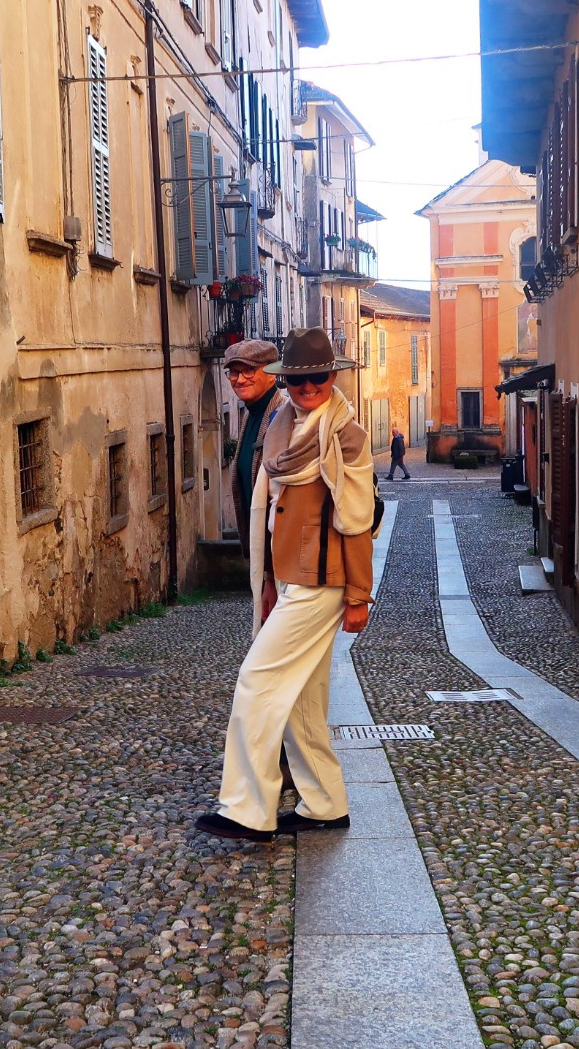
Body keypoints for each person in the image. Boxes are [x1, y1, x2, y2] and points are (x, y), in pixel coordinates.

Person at [196, 328, 374, 842]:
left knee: (258, 682)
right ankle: (324, 803)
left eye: (317, 377)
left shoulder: (344, 436)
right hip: (291, 577)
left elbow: (356, 519)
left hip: (323, 579)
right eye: (298, 379)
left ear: (332, 375)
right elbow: (275, 513)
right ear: (288, 380)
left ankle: (248, 809)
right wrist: (270, 578)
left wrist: (359, 596)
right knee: (302, 698)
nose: (308, 387)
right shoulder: (285, 427)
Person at [223, 340, 282, 552]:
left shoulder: (283, 418)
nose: (239, 379)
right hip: (259, 553)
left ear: (272, 373)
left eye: (249, 371)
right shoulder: (250, 416)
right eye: (233, 372)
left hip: (278, 554)